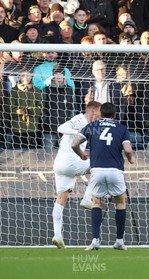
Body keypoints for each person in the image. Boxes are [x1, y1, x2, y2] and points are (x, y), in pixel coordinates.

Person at [72, 102, 136, 251]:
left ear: (100, 114)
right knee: (120, 202)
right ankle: (119, 241)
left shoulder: (92, 126)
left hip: (97, 170)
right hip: (115, 170)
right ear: (115, 115)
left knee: (97, 203)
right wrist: (131, 158)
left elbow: (74, 143)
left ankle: (95, 240)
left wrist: (81, 154)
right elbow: (127, 148)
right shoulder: (121, 128)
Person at [51, 101, 102, 249]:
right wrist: (79, 132)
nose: (99, 117)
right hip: (70, 161)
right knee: (100, 166)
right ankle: (87, 198)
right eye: (98, 114)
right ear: (92, 112)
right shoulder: (80, 120)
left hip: (60, 164)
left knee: (62, 198)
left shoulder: (89, 124)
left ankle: (57, 235)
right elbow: (61, 128)